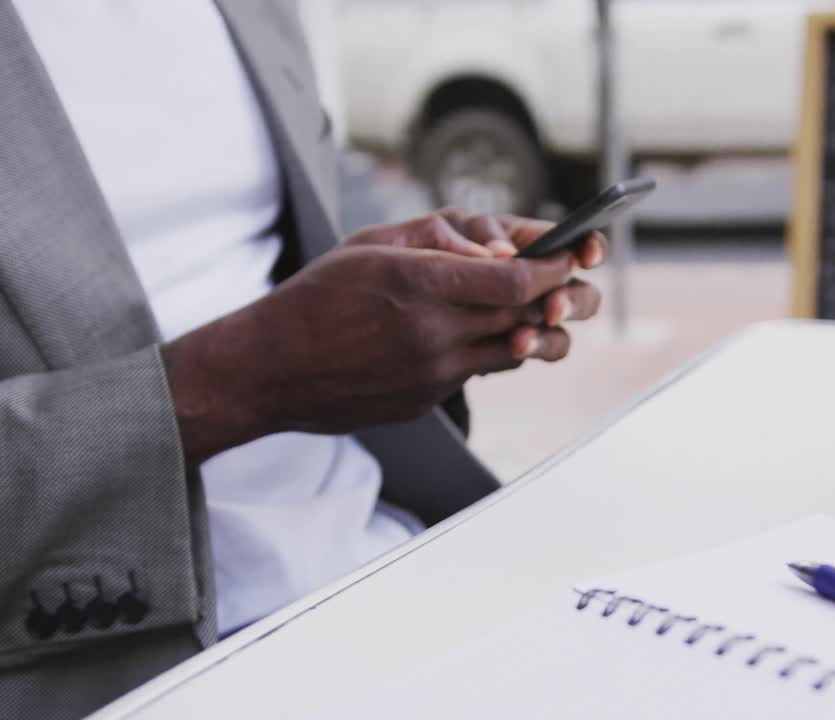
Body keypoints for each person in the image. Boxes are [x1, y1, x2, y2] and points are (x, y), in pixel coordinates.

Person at [0, 2, 604, 717]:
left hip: (391, 557)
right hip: (118, 659)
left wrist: (427, 297)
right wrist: (239, 380)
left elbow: (280, 250)